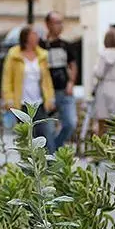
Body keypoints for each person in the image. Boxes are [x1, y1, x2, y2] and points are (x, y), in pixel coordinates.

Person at [1, 25, 56, 150]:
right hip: (21, 103)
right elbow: (7, 78)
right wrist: (8, 98)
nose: (37, 37)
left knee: (46, 135)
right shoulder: (13, 55)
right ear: (26, 37)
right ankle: (29, 167)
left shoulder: (42, 55)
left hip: (39, 103)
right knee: (27, 138)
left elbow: (47, 79)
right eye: (34, 34)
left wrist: (50, 97)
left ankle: (51, 166)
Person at [40, 11, 78, 151]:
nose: (60, 26)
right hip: (47, 92)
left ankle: (54, 148)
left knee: (70, 123)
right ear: (48, 24)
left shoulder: (66, 45)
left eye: (61, 22)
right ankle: (51, 158)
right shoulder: (41, 46)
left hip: (64, 90)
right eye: (56, 22)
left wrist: (71, 83)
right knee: (47, 128)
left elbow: (73, 65)